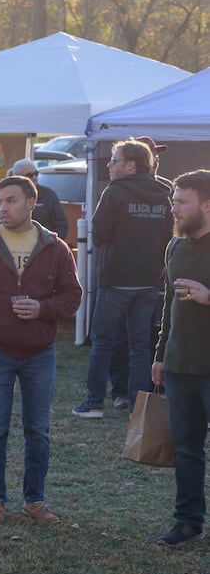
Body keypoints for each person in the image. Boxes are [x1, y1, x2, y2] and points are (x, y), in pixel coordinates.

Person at [0, 174, 82, 526]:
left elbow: (73, 295)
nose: (2, 207)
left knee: (38, 429)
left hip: (40, 352)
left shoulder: (54, 247)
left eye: (10, 200)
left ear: (30, 203)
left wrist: (43, 309)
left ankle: (34, 500)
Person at [74, 138, 173, 419]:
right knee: (141, 345)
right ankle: (136, 407)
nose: (109, 164)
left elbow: (100, 232)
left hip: (116, 278)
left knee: (103, 342)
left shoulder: (115, 191)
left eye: (114, 160)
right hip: (148, 280)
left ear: (130, 165)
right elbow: (171, 233)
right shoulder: (163, 193)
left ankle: (94, 403)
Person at [150, 170, 210, 546]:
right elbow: (169, 306)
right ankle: (188, 522)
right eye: (173, 201)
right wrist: (160, 355)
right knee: (186, 449)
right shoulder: (174, 246)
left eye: (181, 202)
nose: (174, 209)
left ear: (207, 206)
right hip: (178, 367)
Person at [11, 159, 68, 239]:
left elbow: (61, 225)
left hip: (45, 247)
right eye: (30, 175)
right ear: (17, 177)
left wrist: (53, 244)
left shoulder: (48, 195)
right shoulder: (8, 196)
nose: (34, 177)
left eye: (36, 174)